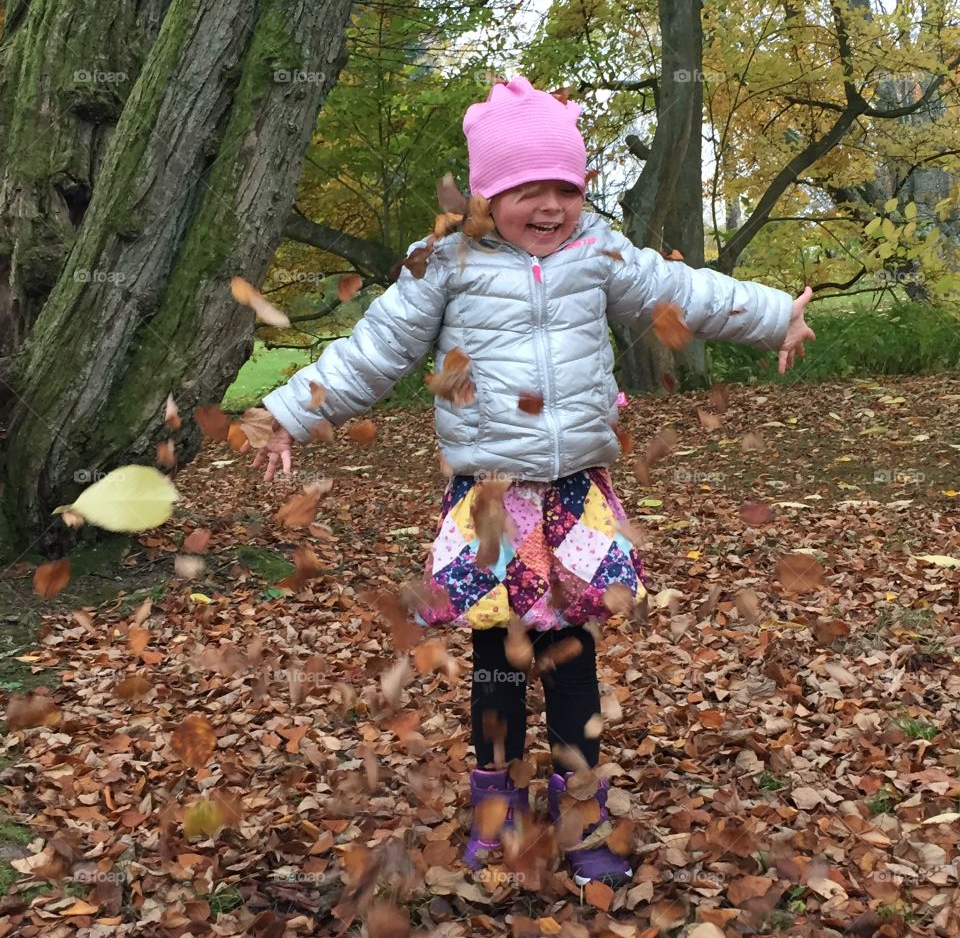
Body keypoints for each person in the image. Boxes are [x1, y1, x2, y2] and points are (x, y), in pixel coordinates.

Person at [249, 76, 815, 887]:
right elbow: (371, 353)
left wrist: (771, 315)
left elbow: (683, 291)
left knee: (571, 654)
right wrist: (288, 411)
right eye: (526, 191)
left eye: (565, 189)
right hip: (493, 502)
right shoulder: (443, 262)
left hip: (576, 492)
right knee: (498, 661)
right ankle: (496, 808)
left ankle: (582, 807)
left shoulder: (600, 252)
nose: (549, 207)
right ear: (488, 195)